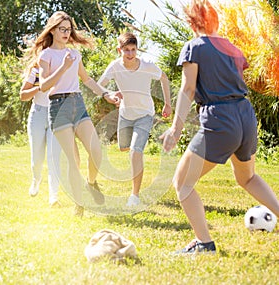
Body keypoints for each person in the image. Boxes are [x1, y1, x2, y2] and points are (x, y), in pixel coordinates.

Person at [160, 0, 279, 254]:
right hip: (245, 115)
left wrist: (175, 130)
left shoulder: (194, 47)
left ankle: (204, 244)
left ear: (192, 22)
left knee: (182, 183)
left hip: (220, 118)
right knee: (247, 177)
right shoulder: (233, 49)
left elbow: (188, 89)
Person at [28, 11, 120, 216]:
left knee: (96, 150)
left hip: (77, 104)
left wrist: (106, 94)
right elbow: (43, 86)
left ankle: (91, 183)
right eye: (62, 29)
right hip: (58, 106)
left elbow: (86, 80)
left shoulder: (75, 54)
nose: (66, 33)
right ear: (52, 30)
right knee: (74, 160)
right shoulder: (46, 55)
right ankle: (79, 204)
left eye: (68, 29)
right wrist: (62, 67)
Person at [98, 32, 172, 206]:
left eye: (133, 50)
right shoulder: (115, 67)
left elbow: (164, 78)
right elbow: (99, 85)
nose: (130, 54)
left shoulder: (147, 66)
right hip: (125, 114)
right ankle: (132, 153)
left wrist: (167, 104)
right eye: (126, 50)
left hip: (145, 114)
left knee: (135, 151)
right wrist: (109, 94)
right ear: (119, 50)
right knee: (124, 148)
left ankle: (134, 196)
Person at [20, 62, 61, 207]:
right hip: (38, 114)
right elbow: (23, 95)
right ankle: (36, 179)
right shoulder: (36, 71)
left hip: (56, 114)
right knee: (37, 157)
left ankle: (53, 196)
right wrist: (39, 87)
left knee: (53, 155)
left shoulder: (61, 68)